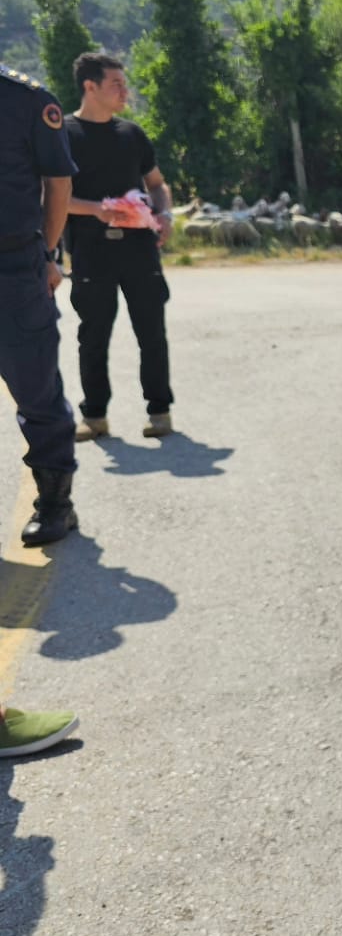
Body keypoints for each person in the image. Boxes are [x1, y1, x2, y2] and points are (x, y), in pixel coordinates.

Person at [0, 60, 82, 756]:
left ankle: (54, 500)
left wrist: (48, 253)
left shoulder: (28, 102)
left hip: (13, 271)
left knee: (39, 396)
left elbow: (59, 184)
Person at [63, 52, 175, 442]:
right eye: (116, 85)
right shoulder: (63, 135)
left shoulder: (132, 134)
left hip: (140, 249)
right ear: (89, 87)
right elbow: (52, 197)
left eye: (124, 85)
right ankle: (95, 417)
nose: (124, 92)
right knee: (93, 334)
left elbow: (158, 184)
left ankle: (160, 412)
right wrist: (99, 210)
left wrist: (164, 215)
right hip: (91, 250)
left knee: (151, 331)